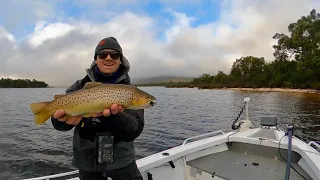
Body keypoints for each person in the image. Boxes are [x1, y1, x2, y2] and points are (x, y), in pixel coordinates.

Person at [51, 37, 144, 180]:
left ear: (120, 59)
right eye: (102, 54)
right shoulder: (79, 87)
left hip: (122, 164)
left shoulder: (131, 92)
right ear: (96, 59)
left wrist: (115, 117)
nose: (108, 58)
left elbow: (135, 129)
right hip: (87, 164)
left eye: (114, 55)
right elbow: (59, 125)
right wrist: (62, 121)